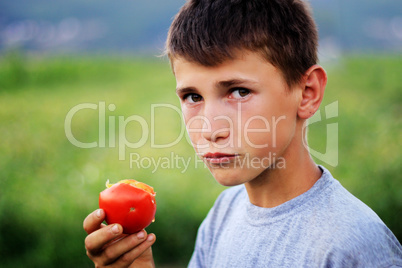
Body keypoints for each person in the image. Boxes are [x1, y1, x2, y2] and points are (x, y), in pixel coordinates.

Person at [83, 0, 402, 267]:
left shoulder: (352, 244)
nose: (210, 129)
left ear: (306, 93)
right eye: (193, 97)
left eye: (238, 92)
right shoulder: (223, 215)